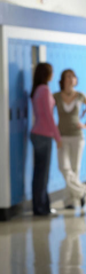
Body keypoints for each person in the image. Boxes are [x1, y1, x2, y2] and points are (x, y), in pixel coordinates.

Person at [30, 63, 62, 216]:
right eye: (51, 71)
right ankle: (42, 208)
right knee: (42, 174)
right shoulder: (44, 90)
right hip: (44, 135)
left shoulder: (37, 89)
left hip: (37, 133)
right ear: (46, 74)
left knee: (39, 173)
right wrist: (57, 136)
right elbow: (49, 116)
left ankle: (41, 206)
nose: (53, 74)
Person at [53, 69, 86, 209]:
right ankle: (82, 192)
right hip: (62, 136)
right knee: (64, 167)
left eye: (73, 76)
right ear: (63, 80)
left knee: (75, 169)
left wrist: (84, 124)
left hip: (77, 136)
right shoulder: (56, 96)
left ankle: (69, 201)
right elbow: (48, 114)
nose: (72, 78)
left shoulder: (80, 96)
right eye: (69, 76)